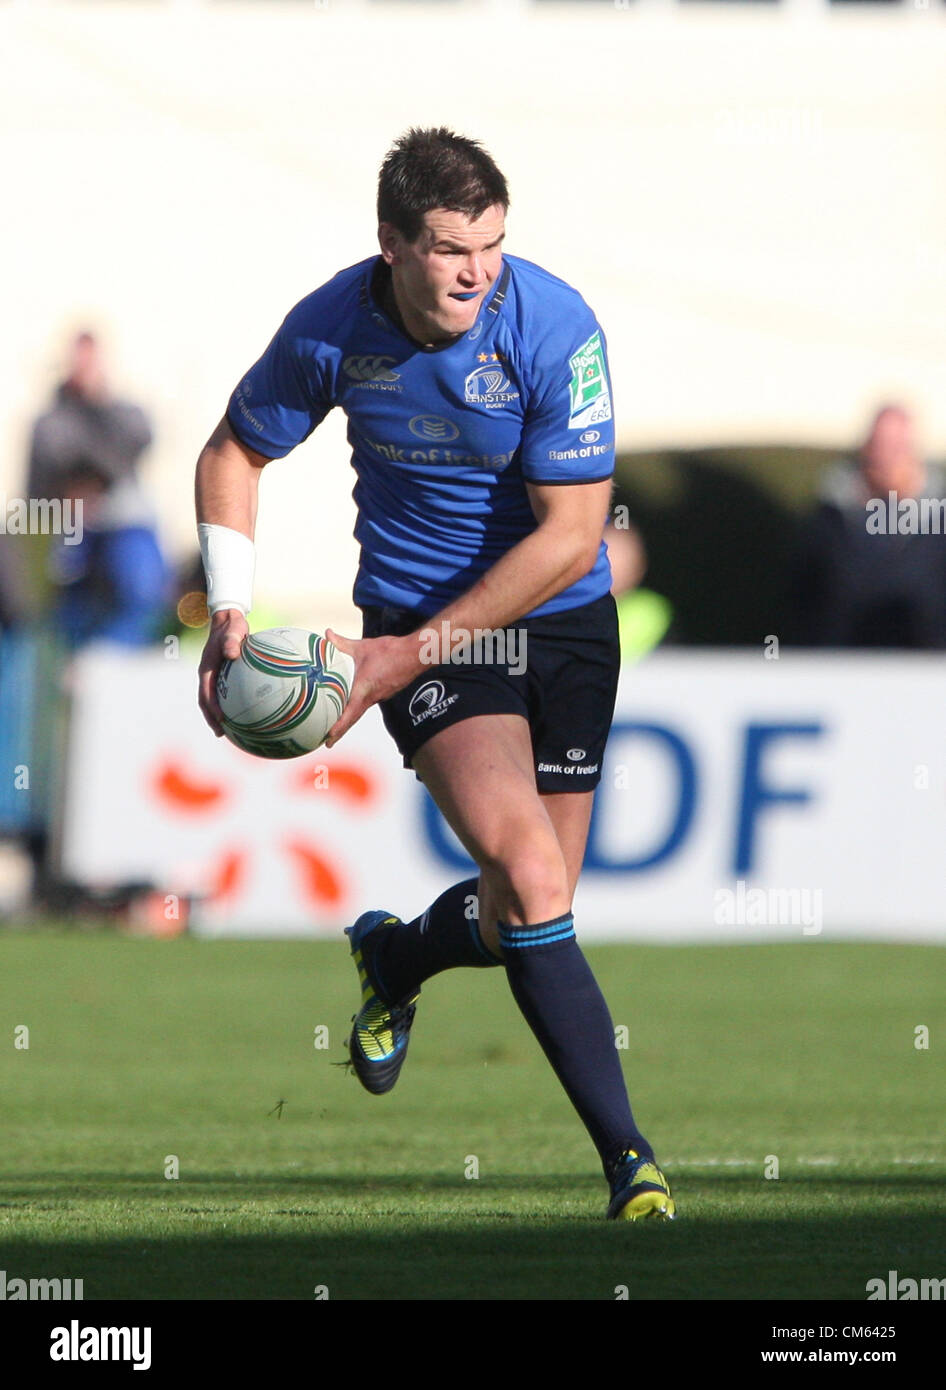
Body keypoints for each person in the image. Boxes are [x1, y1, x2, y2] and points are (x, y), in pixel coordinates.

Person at [195, 128, 674, 1222]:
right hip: (416, 625)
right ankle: (631, 1165)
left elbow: (570, 535)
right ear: (392, 246)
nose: (477, 272)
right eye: (454, 249)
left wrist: (402, 659)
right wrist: (230, 614)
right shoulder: (332, 328)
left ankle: (399, 958)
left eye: (492, 247)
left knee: (526, 911)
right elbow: (232, 453)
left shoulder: (554, 326)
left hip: (560, 625)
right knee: (535, 880)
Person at [791, 404, 946, 648]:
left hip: (926, 663)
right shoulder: (831, 515)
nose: (889, 457)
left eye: (898, 446)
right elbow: (805, 595)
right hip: (844, 660)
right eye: (882, 445)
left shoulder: (939, 517)